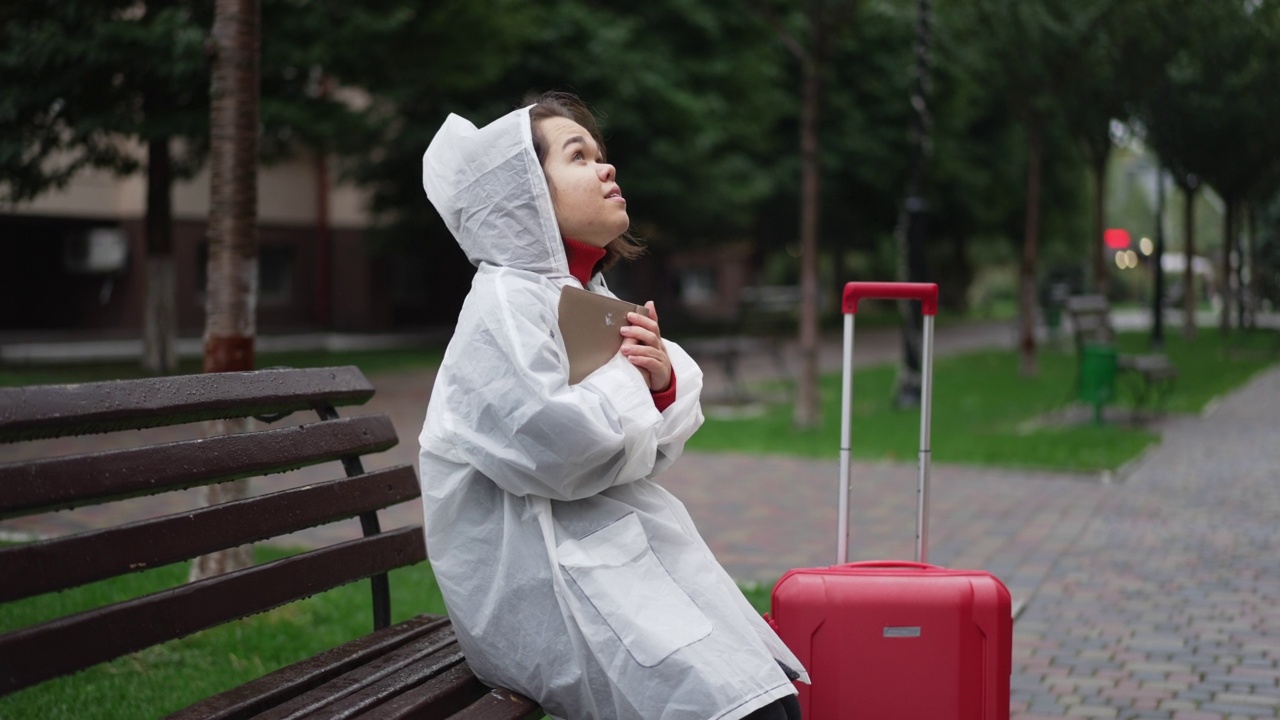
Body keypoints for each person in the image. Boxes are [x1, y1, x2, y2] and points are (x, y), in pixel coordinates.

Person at [418, 90, 806, 720]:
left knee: (770, 696)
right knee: (745, 709)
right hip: (535, 579)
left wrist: (659, 382)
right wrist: (634, 381)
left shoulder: (579, 295)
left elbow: (639, 440)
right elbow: (559, 448)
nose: (607, 169)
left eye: (601, 154)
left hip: (605, 554)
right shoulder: (504, 307)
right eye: (579, 157)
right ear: (526, 193)